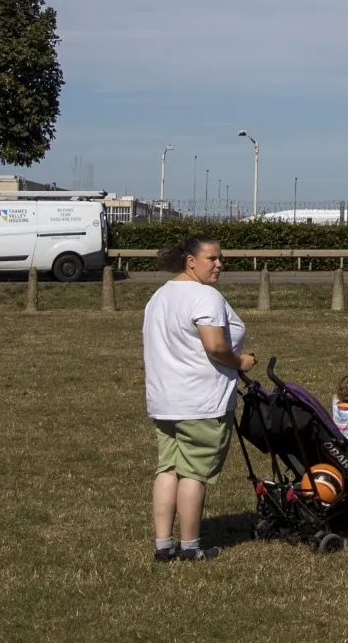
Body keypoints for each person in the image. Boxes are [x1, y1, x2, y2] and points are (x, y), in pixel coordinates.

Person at [142, 235, 253, 561]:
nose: (220, 264)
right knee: (193, 473)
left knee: (168, 469)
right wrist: (241, 362)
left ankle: (163, 545)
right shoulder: (205, 297)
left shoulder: (159, 296)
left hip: (165, 399)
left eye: (220, 258)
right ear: (191, 261)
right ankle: (190, 546)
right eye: (212, 259)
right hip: (200, 401)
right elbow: (216, 347)